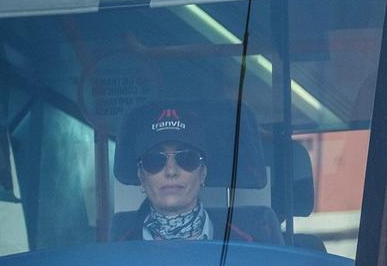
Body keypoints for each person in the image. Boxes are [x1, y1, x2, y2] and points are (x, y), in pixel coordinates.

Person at [113, 102, 276, 244]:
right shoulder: (116, 254)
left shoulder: (245, 247)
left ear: (203, 173)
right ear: (141, 176)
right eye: (155, 160)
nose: (171, 171)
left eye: (187, 158)